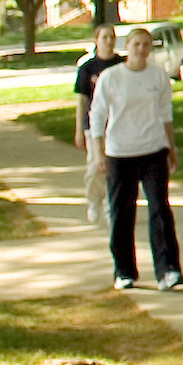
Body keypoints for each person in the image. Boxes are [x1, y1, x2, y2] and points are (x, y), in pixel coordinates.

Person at [87, 28, 183, 291]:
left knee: (159, 208)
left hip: (153, 149)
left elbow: (166, 113)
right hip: (120, 152)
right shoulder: (111, 77)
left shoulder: (158, 75)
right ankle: (124, 270)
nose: (141, 49)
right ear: (127, 46)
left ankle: (168, 270)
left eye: (146, 45)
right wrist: (98, 151)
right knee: (122, 211)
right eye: (136, 44)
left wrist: (171, 148)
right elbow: (96, 115)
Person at [72, 24, 125, 226]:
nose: (109, 41)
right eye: (104, 37)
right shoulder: (88, 68)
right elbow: (82, 101)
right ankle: (94, 200)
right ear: (96, 40)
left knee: (117, 166)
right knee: (96, 166)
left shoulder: (122, 65)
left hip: (119, 123)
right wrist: (79, 129)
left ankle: (113, 203)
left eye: (112, 37)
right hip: (94, 126)